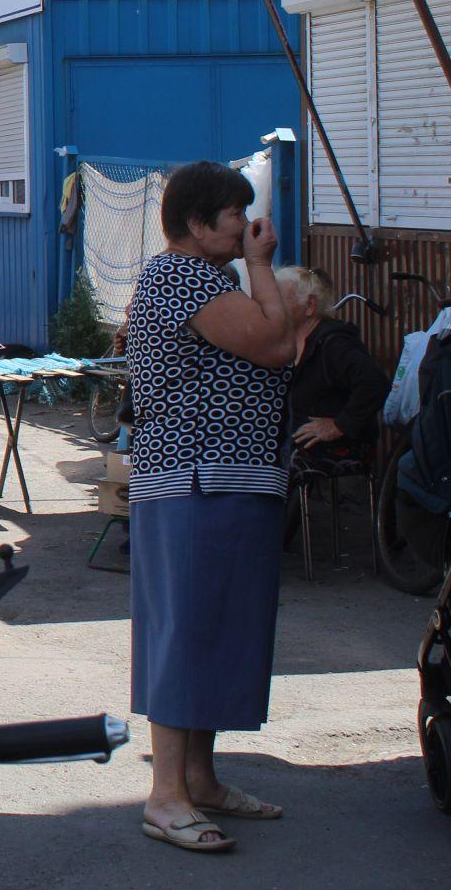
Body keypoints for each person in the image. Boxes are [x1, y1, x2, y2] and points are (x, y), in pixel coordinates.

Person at [123, 160, 295, 853]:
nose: (245, 223)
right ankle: (166, 795)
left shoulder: (205, 278)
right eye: (233, 212)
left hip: (230, 482)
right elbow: (276, 344)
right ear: (197, 224)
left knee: (220, 629)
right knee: (188, 633)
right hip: (194, 482)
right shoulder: (182, 277)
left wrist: (250, 267)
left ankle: (201, 777)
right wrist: (261, 264)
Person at [276, 265, 390, 469]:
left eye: (280, 300)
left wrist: (340, 425)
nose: (272, 306)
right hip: (299, 441)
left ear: (310, 305)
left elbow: (375, 383)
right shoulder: (288, 341)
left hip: (337, 448)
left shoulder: (334, 344)